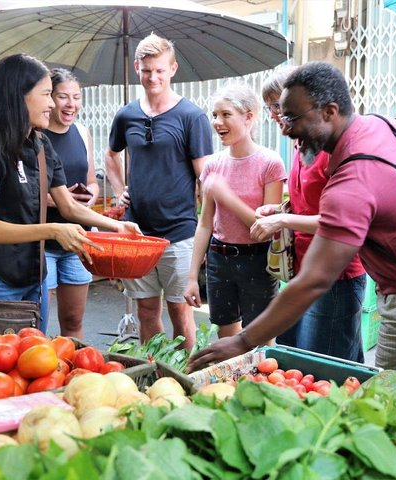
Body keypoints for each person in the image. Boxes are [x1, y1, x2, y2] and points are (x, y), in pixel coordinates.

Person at [189, 62, 396, 404]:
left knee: (393, 405)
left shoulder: (352, 180)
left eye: (291, 118)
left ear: (330, 111)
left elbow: (314, 280)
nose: (285, 129)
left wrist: (244, 341)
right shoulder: (382, 125)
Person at [0, 53, 140, 333]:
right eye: (47, 94)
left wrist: (117, 226)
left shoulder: (40, 144)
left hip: (35, 274)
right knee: (1, 367)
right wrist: (52, 230)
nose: (51, 103)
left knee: (36, 359)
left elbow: (69, 207)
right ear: (19, 95)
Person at [105, 33, 214, 350]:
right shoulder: (126, 115)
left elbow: (205, 180)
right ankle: (155, 374)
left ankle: (186, 376)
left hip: (179, 233)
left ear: (173, 69)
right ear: (137, 67)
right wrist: (118, 190)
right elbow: (111, 156)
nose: (153, 77)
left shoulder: (192, 117)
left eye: (160, 70)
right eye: (147, 70)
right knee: (146, 310)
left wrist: (204, 236)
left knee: (180, 312)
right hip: (136, 232)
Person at [250, 68, 367, 362]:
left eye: (282, 109)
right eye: (273, 109)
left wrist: (282, 220)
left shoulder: (331, 147)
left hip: (336, 274)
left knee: (326, 365)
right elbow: (308, 204)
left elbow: (336, 222)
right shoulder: (302, 146)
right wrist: (280, 210)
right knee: (298, 356)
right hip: (302, 268)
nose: (278, 118)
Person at [183, 83, 285, 338]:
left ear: (249, 117)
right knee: (227, 340)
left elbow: (264, 229)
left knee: (260, 339)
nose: (218, 122)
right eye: (215, 115)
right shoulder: (212, 166)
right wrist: (192, 276)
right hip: (219, 259)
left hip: (258, 260)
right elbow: (205, 224)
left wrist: (226, 196)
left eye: (226, 114)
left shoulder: (270, 163)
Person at [42, 68, 99, 339]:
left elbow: (93, 181)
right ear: (49, 98)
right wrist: (60, 201)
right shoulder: (35, 136)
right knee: (38, 320)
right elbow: (22, 191)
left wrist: (89, 199)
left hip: (78, 238)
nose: (71, 104)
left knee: (74, 319)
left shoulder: (82, 132)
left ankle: (76, 371)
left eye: (76, 97)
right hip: (43, 240)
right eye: (63, 97)